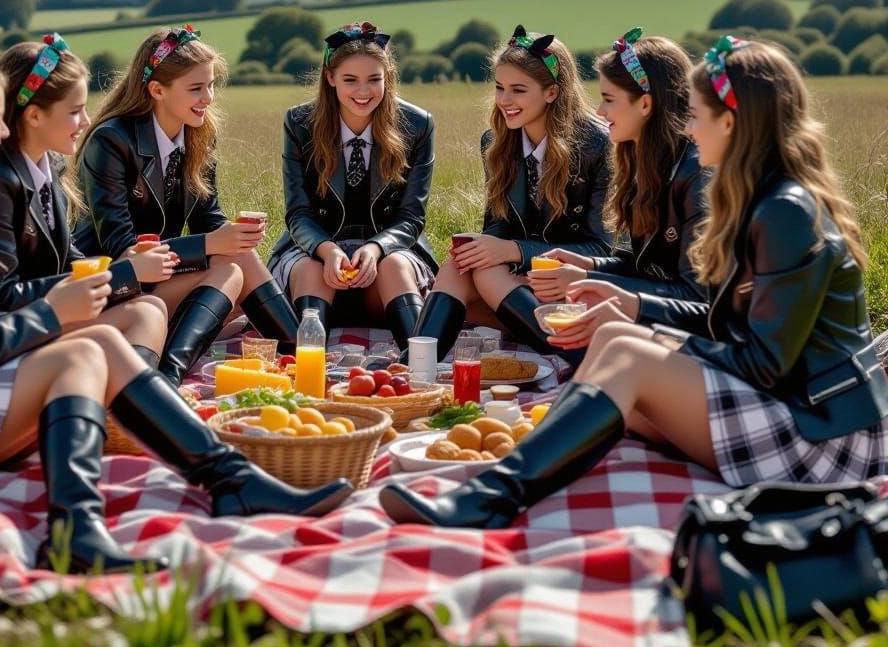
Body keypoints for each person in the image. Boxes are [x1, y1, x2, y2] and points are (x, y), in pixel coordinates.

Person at [0, 42, 352, 573]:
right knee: (86, 349)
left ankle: (221, 483)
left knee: (99, 341)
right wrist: (57, 310)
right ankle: (94, 526)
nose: (2, 131)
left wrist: (80, 296)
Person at [379, 37, 888, 527]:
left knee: (629, 355)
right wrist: (630, 307)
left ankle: (490, 498)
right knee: (618, 345)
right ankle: (506, 467)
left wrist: (650, 332)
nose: (689, 129)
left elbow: (767, 363)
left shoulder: (785, 212)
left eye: (696, 116)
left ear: (730, 123)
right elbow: (720, 316)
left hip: (823, 436)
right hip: (794, 408)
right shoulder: (762, 198)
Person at [74, 25, 300, 385]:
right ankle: (173, 376)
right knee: (230, 267)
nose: (208, 97)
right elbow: (121, 248)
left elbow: (207, 216)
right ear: (157, 90)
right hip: (117, 284)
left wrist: (233, 235)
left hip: (164, 274)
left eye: (210, 85)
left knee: (235, 262)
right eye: (196, 88)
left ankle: (302, 355)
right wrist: (213, 244)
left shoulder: (198, 133)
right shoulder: (111, 141)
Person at [412, 25, 612, 360]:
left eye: (518, 90)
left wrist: (514, 251)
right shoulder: (496, 143)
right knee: (458, 266)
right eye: (500, 87)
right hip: (519, 286)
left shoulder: (597, 145)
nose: (505, 101)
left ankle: (573, 356)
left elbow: (601, 247)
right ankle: (413, 368)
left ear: (551, 92)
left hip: (574, 285)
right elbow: (498, 224)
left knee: (487, 272)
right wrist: (482, 247)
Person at [0, 35, 178, 368]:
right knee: (144, 314)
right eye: (76, 111)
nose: (87, 122)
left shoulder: (52, 167)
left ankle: (134, 403)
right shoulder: (0, 183)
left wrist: (120, 267)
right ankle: (135, 405)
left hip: (52, 312)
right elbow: (3, 295)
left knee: (151, 307)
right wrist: (121, 273)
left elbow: (69, 258)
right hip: (14, 329)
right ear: (33, 116)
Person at [529, 28, 710, 357]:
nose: (599, 111)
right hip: (653, 323)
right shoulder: (644, 164)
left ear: (645, 104)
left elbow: (696, 297)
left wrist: (593, 282)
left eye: (609, 99)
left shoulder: (697, 176)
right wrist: (587, 266)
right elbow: (640, 265)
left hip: (688, 341)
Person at [268, 22, 436, 350]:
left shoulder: (417, 125)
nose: (363, 91)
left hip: (389, 256)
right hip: (315, 252)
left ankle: (420, 366)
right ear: (330, 78)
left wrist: (375, 248)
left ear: (388, 78)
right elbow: (298, 212)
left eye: (374, 79)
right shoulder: (300, 123)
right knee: (311, 269)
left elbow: (412, 217)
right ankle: (305, 367)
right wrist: (327, 250)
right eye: (350, 80)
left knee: (396, 265)